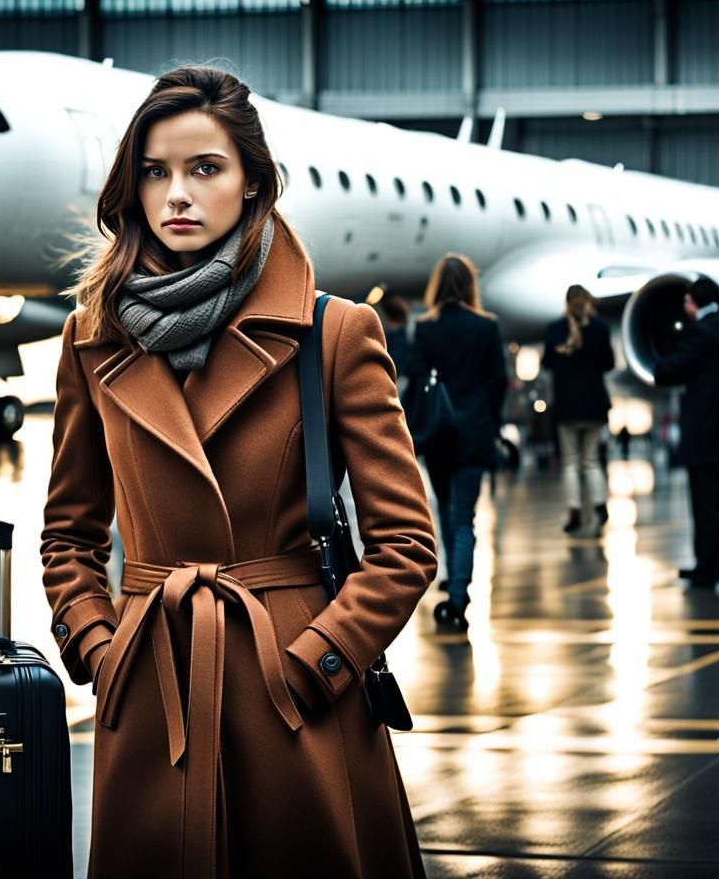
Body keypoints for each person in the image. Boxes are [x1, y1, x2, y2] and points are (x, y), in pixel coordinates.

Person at [40, 66, 437, 879]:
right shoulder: (93, 339)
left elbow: (406, 542)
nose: (176, 194)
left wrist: (318, 662)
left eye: (204, 169)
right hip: (152, 686)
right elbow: (68, 531)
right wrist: (97, 646)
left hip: (292, 696)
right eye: (155, 171)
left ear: (253, 182)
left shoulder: (335, 333)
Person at [406, 253, 507, 631]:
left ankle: (454, 579)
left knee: (446, 511)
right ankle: (459, 593)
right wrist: (491, 422)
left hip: (438, 435)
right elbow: (498, 379)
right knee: (465, 517)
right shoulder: (486, 327)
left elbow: (416, 380)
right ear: (469, 285)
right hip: (475, 434)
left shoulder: (427, 329)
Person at [653, 277, 719, 588]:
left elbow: (675, 368)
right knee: (714, 499)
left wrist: (660, 363)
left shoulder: (702, 331)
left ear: (697, 303)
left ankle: (708, 566)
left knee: (703, 499)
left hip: (705, 423)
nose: (685, 308)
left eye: (688, 302)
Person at [542, 284, 615, 535]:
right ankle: (600, 505)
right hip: (594, 406)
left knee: (571, 463)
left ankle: (573, 511)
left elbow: (546, 363)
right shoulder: (600, 328)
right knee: (592, 460)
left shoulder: (554, 330)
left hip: (566, 407)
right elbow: (609, 363)